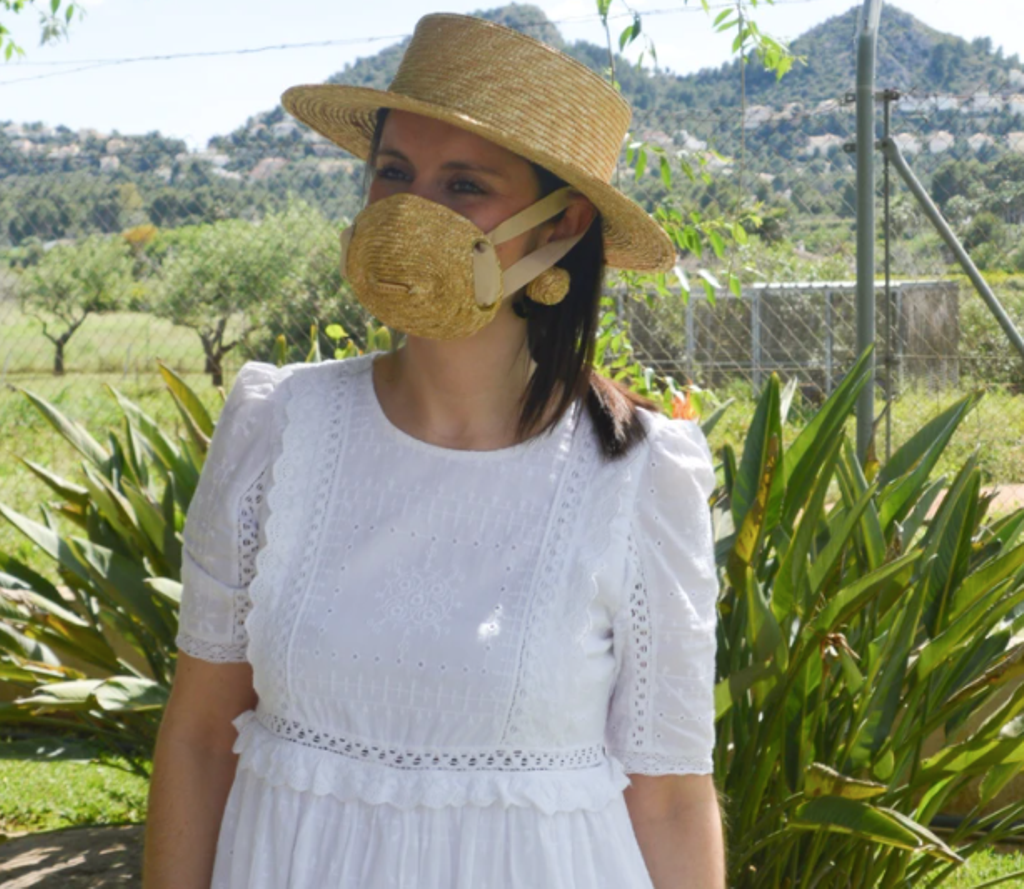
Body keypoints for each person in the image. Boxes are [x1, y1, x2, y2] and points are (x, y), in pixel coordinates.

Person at [142, 13, 725, 889]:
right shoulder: (278, 426)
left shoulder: (641, 472)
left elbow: (673, 796)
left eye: (464, 185)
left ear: (560, 226)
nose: (413, 213)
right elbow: (196, 737)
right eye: (393, 174)